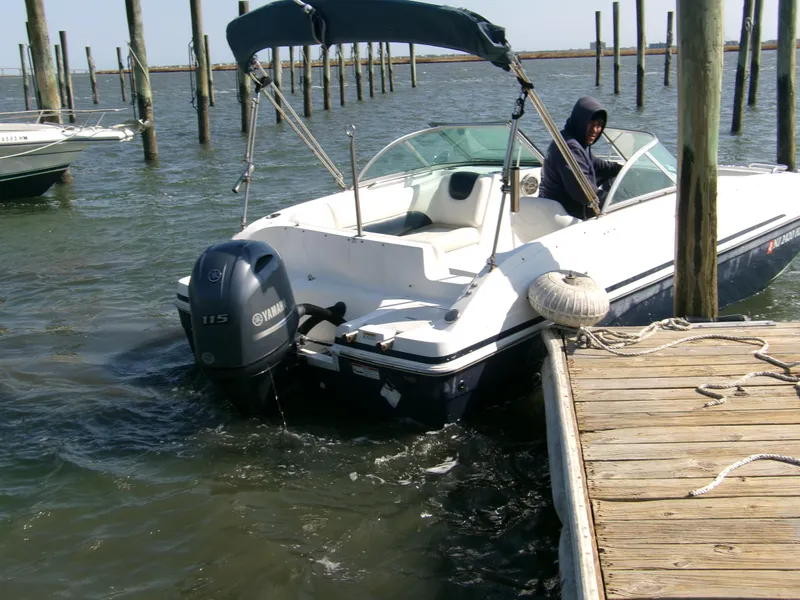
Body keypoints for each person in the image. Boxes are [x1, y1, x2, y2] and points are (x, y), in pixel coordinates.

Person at [538, 96, 622, 220]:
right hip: (567, 214)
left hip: (560, 209)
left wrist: (629, 169)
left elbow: (601, 167)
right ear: (580, 121)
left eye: (599, 125)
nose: (595, 130)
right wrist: (618, 202)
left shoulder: (573, 141)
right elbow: (585, 192)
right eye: (590, 124)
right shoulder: (570, 148)